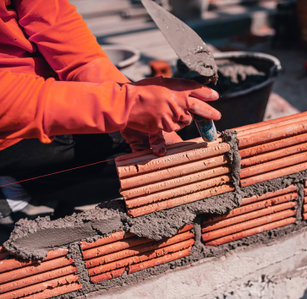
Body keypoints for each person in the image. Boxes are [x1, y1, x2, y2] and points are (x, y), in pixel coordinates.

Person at [0, 0, 221, 223]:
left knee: (163, 145)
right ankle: (15, 190)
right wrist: (124, 105)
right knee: (126, 166)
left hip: (49, 92)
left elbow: (71, 47)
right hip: (12, 127)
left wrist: (132, 104)